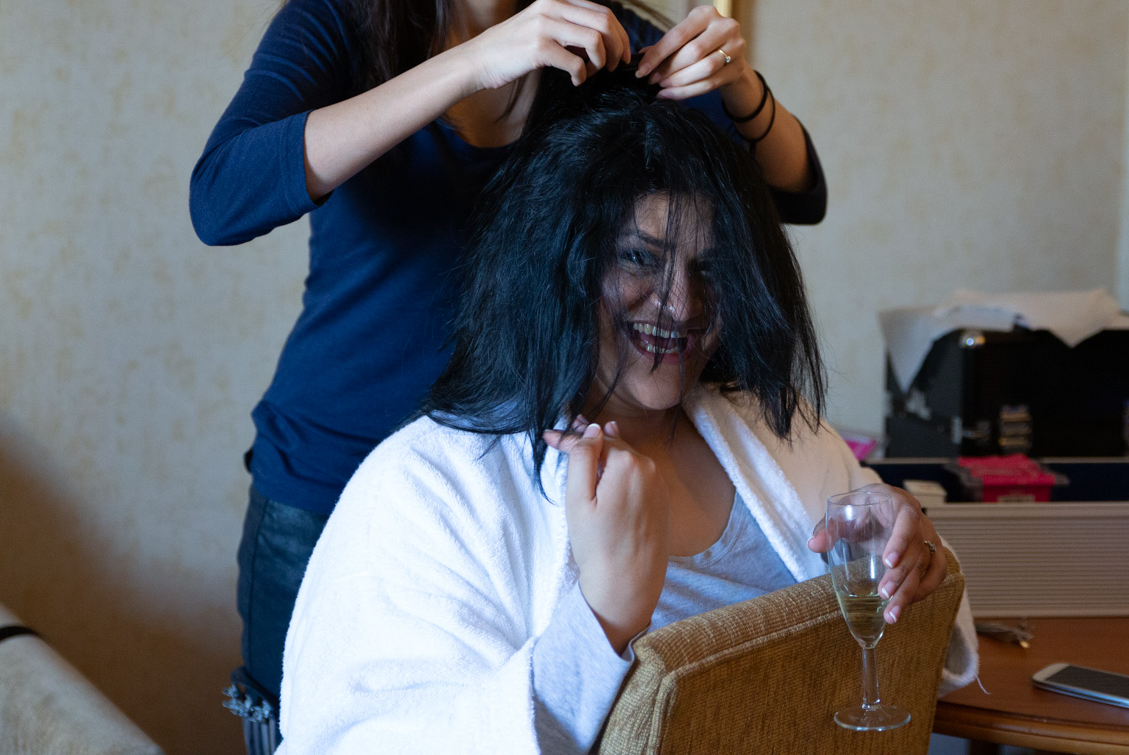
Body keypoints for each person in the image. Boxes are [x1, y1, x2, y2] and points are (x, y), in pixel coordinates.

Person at [188, 0, 826, 745]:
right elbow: (221, 195)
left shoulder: (598, 36)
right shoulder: (342, 21)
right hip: (332, 483)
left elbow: (795, 189)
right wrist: (468, 65)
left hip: (507, 507)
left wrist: (735, 87)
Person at [275, 80, 977, 755]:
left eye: (713, 268)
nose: (683, 306)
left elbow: (915, 667)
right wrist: (603, 615)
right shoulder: (427, 488)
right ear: (559, 265)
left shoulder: (782, 436)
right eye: (641, 258)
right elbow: (367, 738)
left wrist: (911, 563)